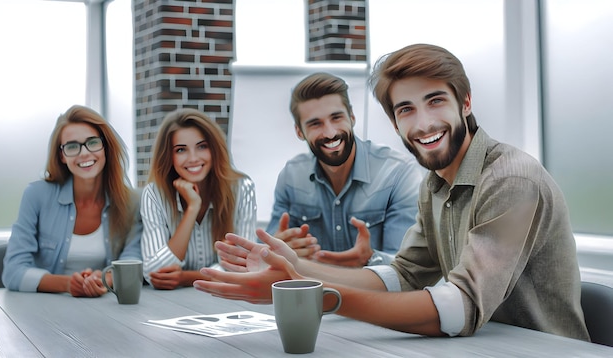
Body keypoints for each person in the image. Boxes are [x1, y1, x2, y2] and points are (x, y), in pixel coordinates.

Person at [193, 44, 590, 341]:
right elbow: (404, 275)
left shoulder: (512, 181)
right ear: (394, 121)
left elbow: (459, 308)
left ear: (465, 102)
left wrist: (311, 294)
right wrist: (295, 270)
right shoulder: (435, 183)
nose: (423, 123)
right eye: (406, 110)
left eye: (435, 101)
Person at [268, 72, 423, 267]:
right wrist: (278, 251)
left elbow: (408, 268)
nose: (330, 133)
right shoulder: (291, 176)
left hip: (375, 296)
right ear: (299, 132)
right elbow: (270, 250)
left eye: (337, 118)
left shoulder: (398, 173)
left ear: (351, 117)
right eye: (315, 124)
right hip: (312, 295)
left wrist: (371, 258)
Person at [2, 105, 142, 297]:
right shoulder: (36, 195)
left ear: (106, 147)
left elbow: (133, 261)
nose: (84, 153)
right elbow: (13, 272)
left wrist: (102, 280)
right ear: (62, 155)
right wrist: (68, 284)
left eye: (92, 142)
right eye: (72, 146)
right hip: (44, 311)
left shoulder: (132, 202)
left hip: (105, 309)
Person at [140, 108, 257, 290]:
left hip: (227, 299)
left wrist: (187, 278)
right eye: (181, 150)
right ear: (168, 156)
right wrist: (192, 209)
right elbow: (155, 272)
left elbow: (244, 267)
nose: (193, 158)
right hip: (170, 305)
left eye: (202, 146)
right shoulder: (154, 194)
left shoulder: (242, 188)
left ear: (214, 148)